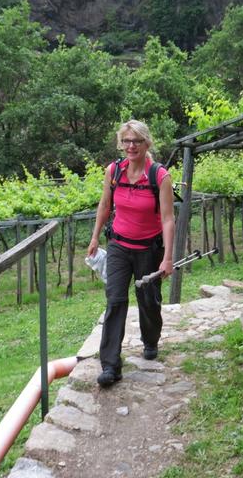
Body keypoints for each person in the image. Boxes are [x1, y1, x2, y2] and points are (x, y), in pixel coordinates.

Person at [87, 120, 175, 387]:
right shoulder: (114, 171)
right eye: (126, 141)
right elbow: (105, 205)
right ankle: (110, 366)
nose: (131, 146)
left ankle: (150, 340)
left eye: (136, 141)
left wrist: (167, 258)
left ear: (146, 143)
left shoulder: (160, 176)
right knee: (115, 300)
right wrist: (95, 236)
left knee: (148, 301)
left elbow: (168, 219)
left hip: (149, 248)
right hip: (119, 246)